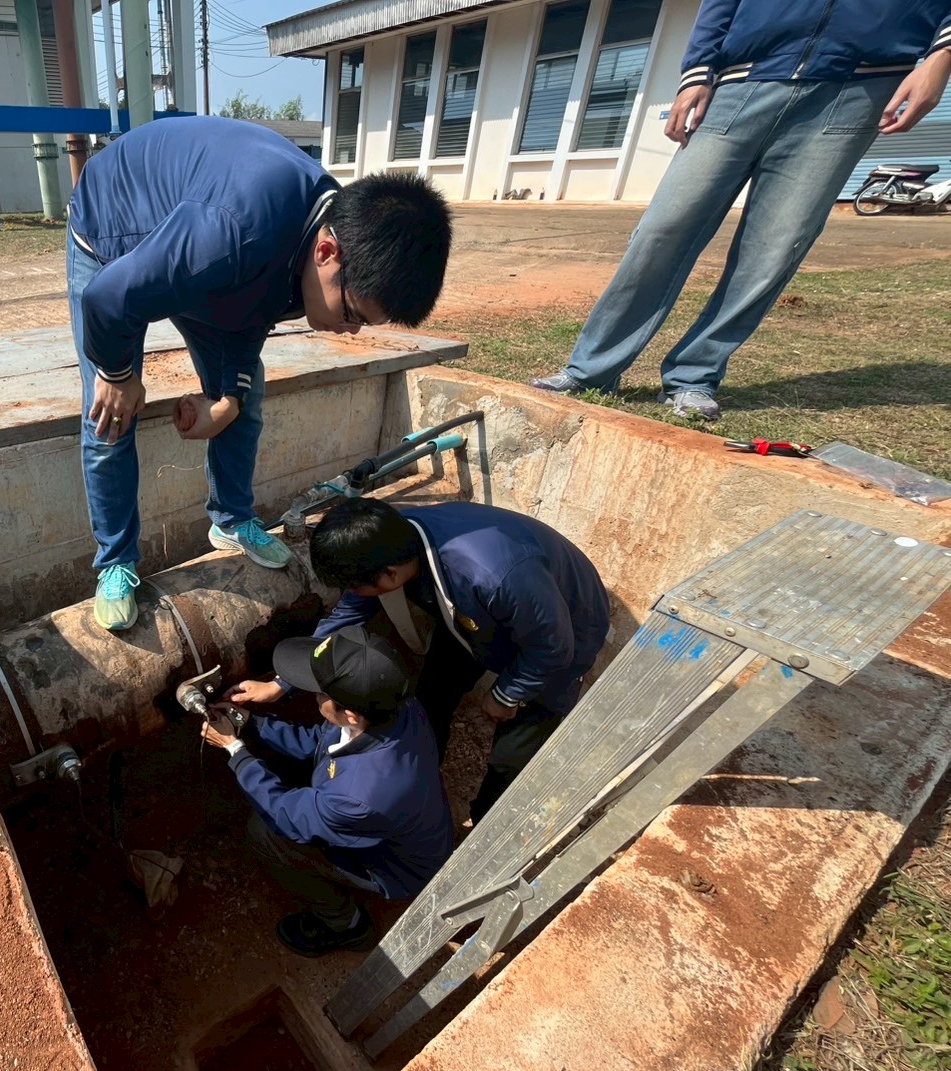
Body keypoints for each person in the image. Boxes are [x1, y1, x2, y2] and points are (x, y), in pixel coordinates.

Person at [68, 116, 454, 631]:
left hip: (196, 250)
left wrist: (228, 398)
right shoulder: (232, 234)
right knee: (110, 414)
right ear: (327, 253)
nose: (351, 331)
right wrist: (118, 375)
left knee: (244, 402)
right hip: (114, 226)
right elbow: (109, 298)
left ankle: (231, 519)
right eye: (353, 314)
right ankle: (116, 561)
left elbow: (252, 311)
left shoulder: (321, 238)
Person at [531, 1, 951, 421]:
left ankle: (694, 375)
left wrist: (942, 54)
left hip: (859, 87)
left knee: (775, 247)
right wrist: (698, 72)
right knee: (662, 229)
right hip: (743, 79)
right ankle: (591, 370)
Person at [232, 498, 610, 821]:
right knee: (432, 696)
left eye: (353, 586)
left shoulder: (492, 577)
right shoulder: (391, 543)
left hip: (565, 633)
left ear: (389, 575)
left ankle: (487, 826)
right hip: (477, 620)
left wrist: (505, 694)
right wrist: (282, 682)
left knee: (514, 753)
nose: (350, 594)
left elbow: (553, 647)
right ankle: (424, 780)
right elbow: (345, 617)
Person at [200, 626, 453, 957]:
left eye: (320, 693)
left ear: (350, 714)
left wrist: (235, 750)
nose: (313, 696)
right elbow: (320, 742)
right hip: (409, 828)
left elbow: (285, 815)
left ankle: (347, 926)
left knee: (264, 834)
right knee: (294, 779)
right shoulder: (396, 705)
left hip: (395, 867)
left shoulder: (361, 796)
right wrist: (250, 722)